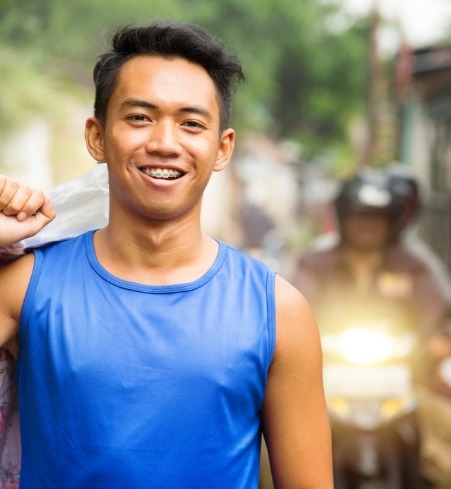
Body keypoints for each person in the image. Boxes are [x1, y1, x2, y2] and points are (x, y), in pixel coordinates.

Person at [0, 20, 333, 488]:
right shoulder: (26, 286)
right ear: (96, 136)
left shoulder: (279, 312)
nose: (165, 143)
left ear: (222, 148)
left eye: (191, 124)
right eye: (139, 117)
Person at [290, 170, 451, 487]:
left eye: (376, 218)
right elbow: (288, 312)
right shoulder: (314, 262)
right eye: (359, 216)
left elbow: (440, 319)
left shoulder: (416, 265)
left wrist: (438, 342)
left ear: (392, 222)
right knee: (269, 454)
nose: (366, 226)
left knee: (443, 451)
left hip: (408, 389)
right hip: (319, 390)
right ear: (343, 217)